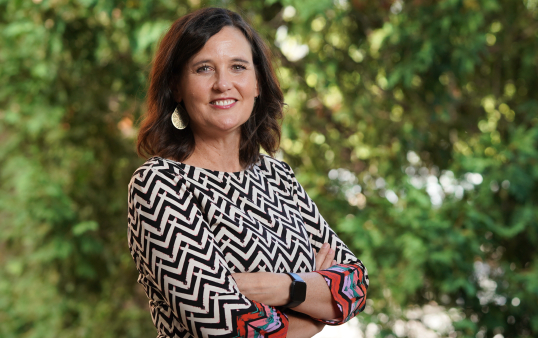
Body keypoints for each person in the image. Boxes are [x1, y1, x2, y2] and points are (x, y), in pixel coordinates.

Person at [127, 7, 368, 338]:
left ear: (257, 84)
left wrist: (278, 287)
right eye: (203, 69)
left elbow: (356, 286)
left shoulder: (277, 176)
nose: (223, 84)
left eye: (238, 67)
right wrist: (316, 311)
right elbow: (222, 327)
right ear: (177, 86)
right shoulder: (159, 184)